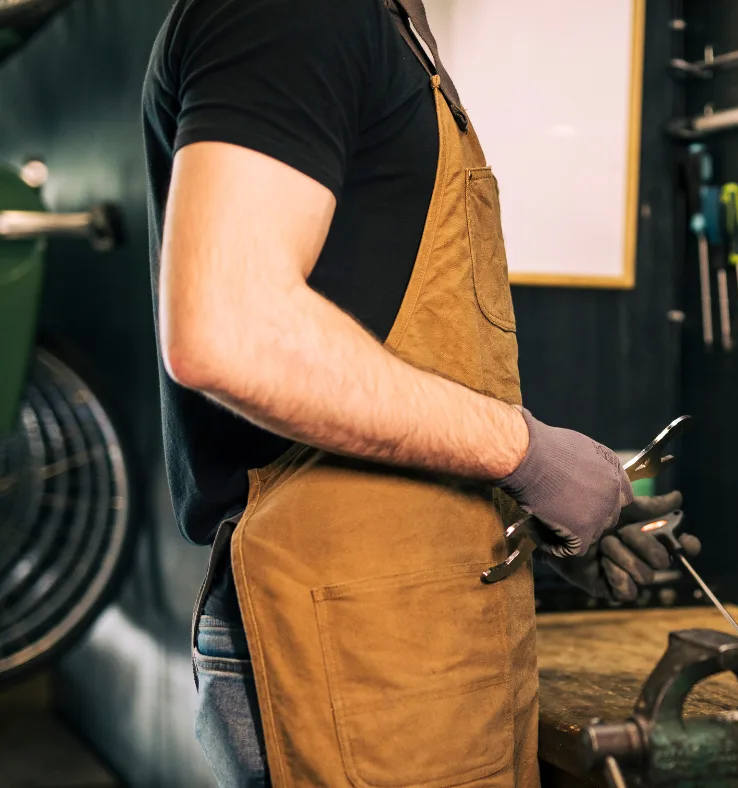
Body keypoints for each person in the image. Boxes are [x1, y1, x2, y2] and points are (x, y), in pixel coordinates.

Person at [141, 1, 698, 785]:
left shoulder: (387, 29)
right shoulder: (299, 15)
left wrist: (521, 511)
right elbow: (234, 326)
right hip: (356, 642)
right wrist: (529, 454)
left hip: (426, 630)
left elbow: (378, 350)